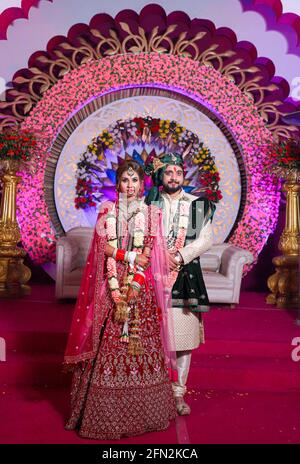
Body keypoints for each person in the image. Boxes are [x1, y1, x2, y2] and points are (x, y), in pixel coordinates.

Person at [63, 160, 177, 440]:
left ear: (142, 184)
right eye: (125, 180)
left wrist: (136, 280)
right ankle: (100, 413)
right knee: (107, 339)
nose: (130, 185)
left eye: (134, 180)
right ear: (118, 184)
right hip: (109, 281)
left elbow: (149, 253)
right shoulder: (106, 212)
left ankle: (146, 411)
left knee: (140, 344)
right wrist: (127, 259)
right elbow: (104, 247)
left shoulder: (152, 214)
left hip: (141, 283)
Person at [145, 152, 215, 416]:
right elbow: (141, 235)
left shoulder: (198, 204)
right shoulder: (150, 203)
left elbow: (206, 239)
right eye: (168, 172)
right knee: (154, 338)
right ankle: (154, 392)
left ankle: (177, 394)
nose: (173, 177)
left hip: (186, 277)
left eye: (178, 172)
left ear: (183, 176)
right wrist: (160, 257)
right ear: (161, 177)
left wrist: (179, 256)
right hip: (152, 275)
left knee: (183, 339)